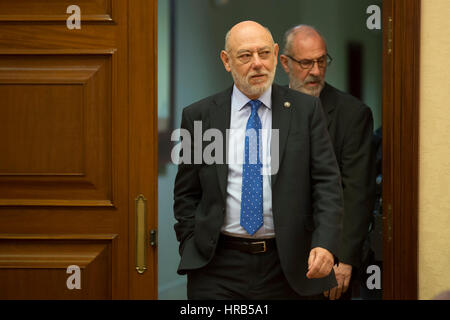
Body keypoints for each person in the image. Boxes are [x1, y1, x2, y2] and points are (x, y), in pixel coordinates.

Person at [173, 20, 343, 300]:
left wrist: (325, 243)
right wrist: (191, 242)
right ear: (227, 61)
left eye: (264, 53)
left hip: (288, 265)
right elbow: (186, 193)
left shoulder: (305, 110)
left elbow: (327, 184)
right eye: (245, 56)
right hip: (217, 266)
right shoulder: (200, 116)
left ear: (276, 54)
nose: (258, 64)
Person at [280, 25, 376, 300]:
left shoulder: (352, 114)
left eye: (322, 61)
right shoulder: (268, 108)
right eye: (306, 62)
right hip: (274, 260)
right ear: (285, 63)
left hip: (326, 257)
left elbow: (357, 191)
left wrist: (344, 258)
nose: (316, 71)